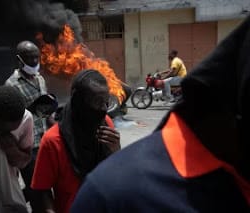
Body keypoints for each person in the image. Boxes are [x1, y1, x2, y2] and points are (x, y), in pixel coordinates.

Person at [71, 16, 250, 212]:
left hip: (178, 80)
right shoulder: (116, 194)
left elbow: (171, 73)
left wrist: (162, 76)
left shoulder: (177, 61)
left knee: (165, 84)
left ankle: (167, 96)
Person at [31, 69, 121, 213]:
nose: (103, 109)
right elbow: (42, 189)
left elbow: (117, 172)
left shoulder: (106, 124)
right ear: (79, 101)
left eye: (106, 103)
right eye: (97, 103)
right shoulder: (53, 141)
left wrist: (116, 150)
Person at [5, 40, 47, 212]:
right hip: (28, 144)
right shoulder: (11, 85)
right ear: (19, 59)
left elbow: (45, 112)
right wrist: (28, 110)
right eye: (30, 58)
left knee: (42, 185)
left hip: (44, 141)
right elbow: (10, 118)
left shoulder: (40, 78)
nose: (35, 61)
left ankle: (10, 205)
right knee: (35, 187)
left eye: (37, 57)